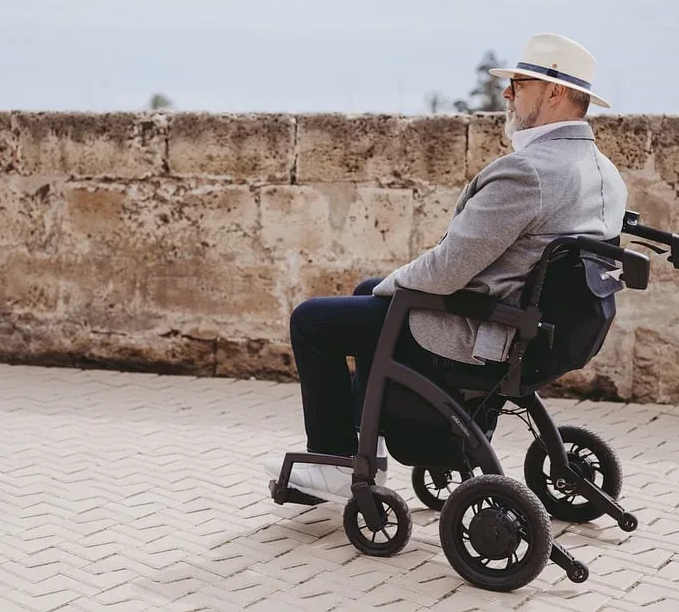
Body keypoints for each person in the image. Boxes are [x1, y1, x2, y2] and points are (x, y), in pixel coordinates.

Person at [264, 33, 629, 504]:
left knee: (312, 321)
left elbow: (446, 270)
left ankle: (335, 463)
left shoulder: (529, 172)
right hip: (542, 330)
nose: (507, 93)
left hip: (482, 333)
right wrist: (384, 289)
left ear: (555, 93)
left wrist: (395, 286)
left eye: (518, 83)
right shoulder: (605, 173)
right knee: (365, 290)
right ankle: (363, 450)